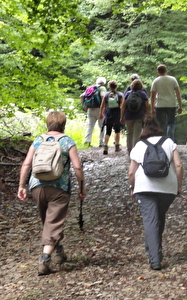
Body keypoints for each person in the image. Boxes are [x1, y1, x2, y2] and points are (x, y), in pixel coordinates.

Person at [17, 111, 86, 276]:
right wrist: (82, 187)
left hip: (37, 187)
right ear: (63, 124)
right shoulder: (67, 141)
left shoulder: (38, 140)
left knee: (49, 222)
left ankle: (58, 251)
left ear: (48, 124)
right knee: (53, 223)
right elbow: (77, 166)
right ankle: (45, 258)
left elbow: (26, 164)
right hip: (59, 188)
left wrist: (22, 185)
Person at [128, 116, 184, 270]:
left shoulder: (139, 145)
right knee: (158, 217)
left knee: (150, 220)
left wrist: (132, 188)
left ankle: (155, 258)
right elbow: (178, 165)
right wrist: (179, 186)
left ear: (144, 129)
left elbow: (131, 173)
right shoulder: (169, 142)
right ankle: (154, 250)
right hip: (167, 188)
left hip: (144, 189)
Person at [150, 64, 183, 140]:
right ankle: (170, 139)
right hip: (171, 104)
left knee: (161, 124)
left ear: (158, 72)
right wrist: (180, 106)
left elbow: (152, 96)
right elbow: (178, 93)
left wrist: (152, 108)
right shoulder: (173, 79)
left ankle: (162, 139)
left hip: (160, 105)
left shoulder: (156, 81)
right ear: (166, 71)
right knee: (171, 122)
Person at [121, 78, 150, 153]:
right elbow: (147, 106)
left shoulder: (127, 93)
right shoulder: (143, 94)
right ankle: (136, 150)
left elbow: (123, 106)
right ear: (141, 86)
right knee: (137, 134)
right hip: (139, 116)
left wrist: (121, 117)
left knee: (129, 133)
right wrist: (147, 115)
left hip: (128, 116)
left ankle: (129, 150)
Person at [80, 77, 107, 147]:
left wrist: (84, 106)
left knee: (90, 126)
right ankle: (101, 142)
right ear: (104, 83)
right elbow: (103, 97)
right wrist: (103, 109)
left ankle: (87, 142)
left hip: (90, 109)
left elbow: (81, 96)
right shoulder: (102, 88)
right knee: (102, 127)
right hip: (99, 109)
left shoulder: (90, 88)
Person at [100, 80, 124, 154]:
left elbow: (102, 105)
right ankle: (117, 147)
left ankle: (105, 147)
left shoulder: (106, 94)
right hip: (117, 113)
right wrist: (122, 115)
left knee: (108, 131)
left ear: (109, 87)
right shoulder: (120, 94)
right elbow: (122, 105)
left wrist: (101, 113)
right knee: (117, 130)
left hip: (109, 113)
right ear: (116, 86)